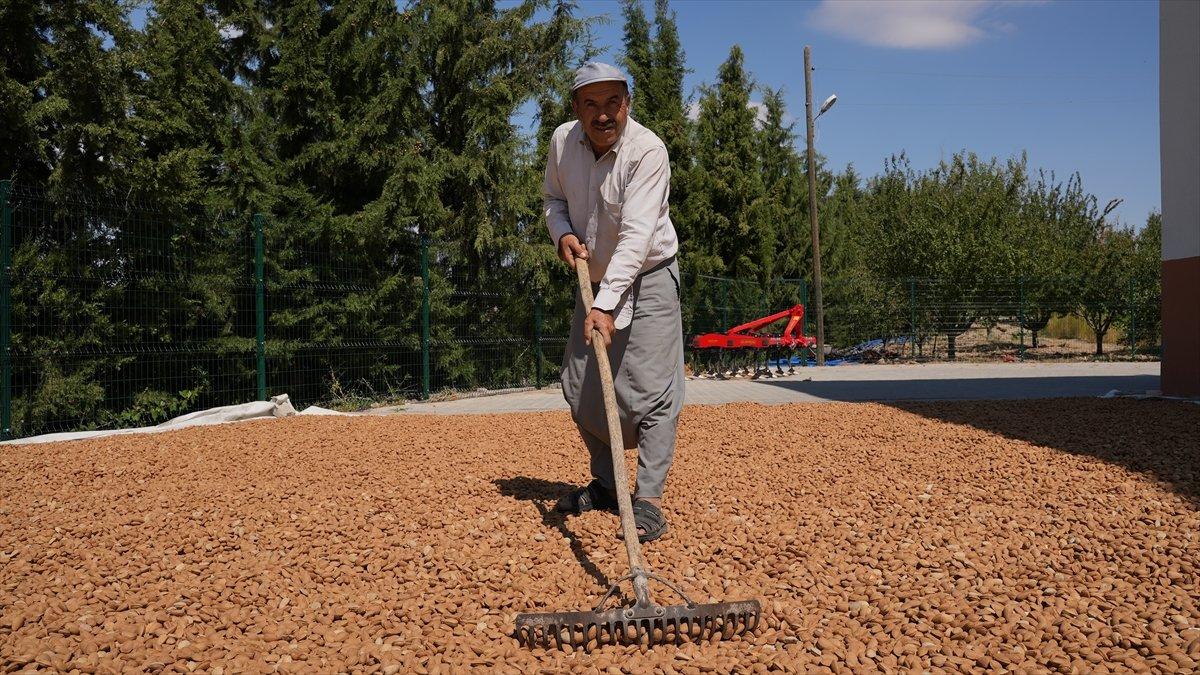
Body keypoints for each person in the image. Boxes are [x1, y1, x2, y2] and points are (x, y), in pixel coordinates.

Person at [542, 61, 684, 543]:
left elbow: (636, 238)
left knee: (653, 390)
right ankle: (607, 484)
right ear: (576, 108)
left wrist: (606, 306)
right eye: (591, 104)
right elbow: (553, 200)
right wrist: (562, 233)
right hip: (595, 280)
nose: (603, 114)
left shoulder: (648, 152)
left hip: (649, 276)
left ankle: (648, 501)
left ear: (628, 103)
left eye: (612, 102)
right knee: (580, 384)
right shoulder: (563, 142)